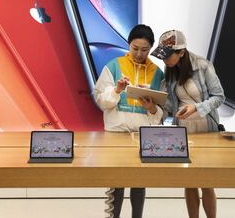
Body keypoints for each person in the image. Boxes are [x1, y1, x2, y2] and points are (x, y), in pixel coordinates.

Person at [152, 30, 225, 218]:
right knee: (189, 181)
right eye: (163, 56)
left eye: (168, 56)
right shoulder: (170, 72)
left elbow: (219, 97)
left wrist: (197, 108)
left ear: (181, 52)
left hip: (206, 129)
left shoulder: (202, 65)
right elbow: (169, 106)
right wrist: (153, 99)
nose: (165, 60)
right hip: (183, 132)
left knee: (206, 182)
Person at [94, 24, 164, 218]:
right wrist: (117, 90)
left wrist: (151, 107)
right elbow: (101, 100)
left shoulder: (157, 73)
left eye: (144, 50)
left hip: (143, 136)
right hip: (116, 134)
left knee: (139, 182)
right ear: (128, 44)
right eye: (135, 48)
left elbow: (161, 111)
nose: (139, 54)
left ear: (150, 48)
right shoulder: (114, 66)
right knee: (116, 182)